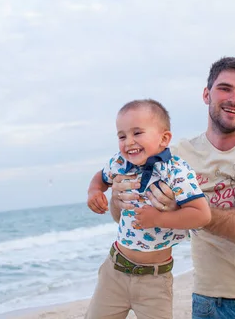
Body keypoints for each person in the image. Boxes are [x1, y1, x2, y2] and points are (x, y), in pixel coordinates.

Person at [88, 57, 235, 318]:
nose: (234, 98)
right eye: (224, 88)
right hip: (211, 302)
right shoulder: (171, 156)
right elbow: (128, 217)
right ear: (207, 94)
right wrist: (115, 199)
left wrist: (184, 210)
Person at [85, 99, 211, 319]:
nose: (128, 142)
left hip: (155, 281)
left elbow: (201, 214)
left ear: (164, 139)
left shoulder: (176, 171)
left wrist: (158, 219)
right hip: (114, 271)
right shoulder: (119, 163)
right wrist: (94, 191)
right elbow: (100, 177)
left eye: (137, 133)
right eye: (122, 136)